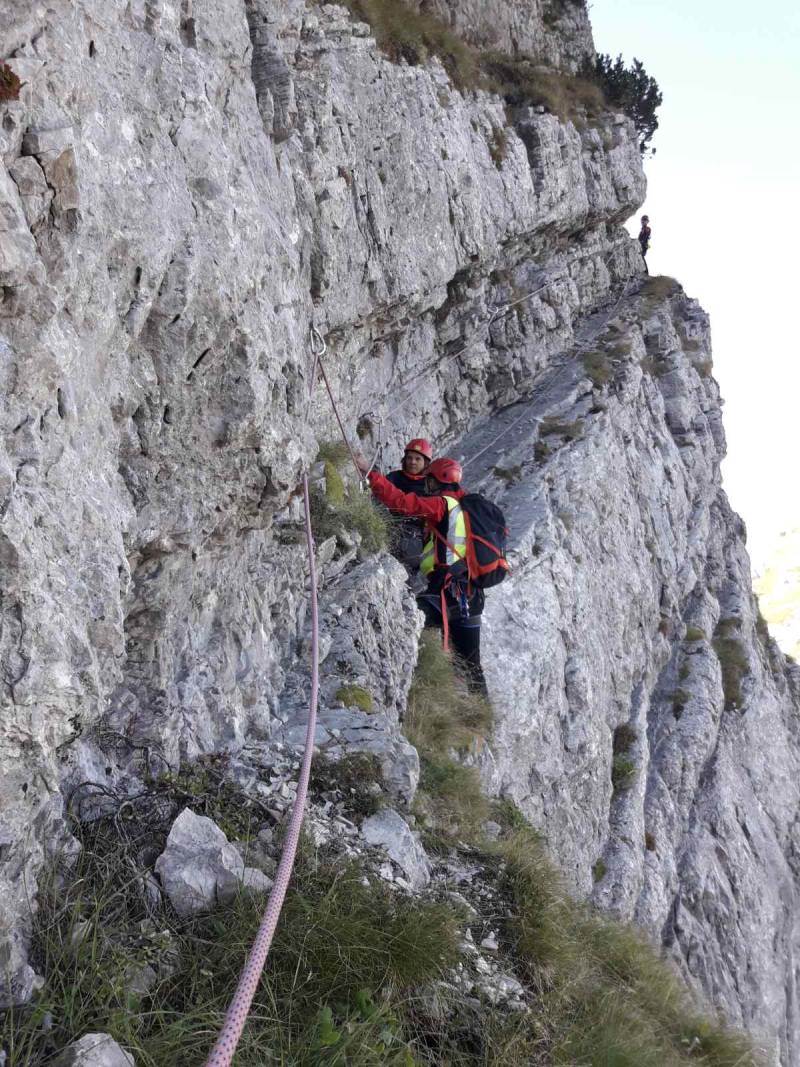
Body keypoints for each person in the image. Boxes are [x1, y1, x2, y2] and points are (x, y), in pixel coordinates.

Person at [357, 454, 489, 697]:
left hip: (447, 593)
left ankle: (410, 689)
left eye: (429, 481)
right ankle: (480, 717)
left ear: (437, 481)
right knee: (472, 664)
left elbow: (402, 503)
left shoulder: (442, 504)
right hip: (471, 596)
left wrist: (370, 474)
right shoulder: (466, 506)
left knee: (403, 624)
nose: (426, 485)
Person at [384, 438, 432, 574]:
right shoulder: (394, 478)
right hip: (390, 526)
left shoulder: (430, 486)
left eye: (418, 459)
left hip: (416, 535)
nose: (412, 462)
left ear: (426, 463)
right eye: (409, 458)